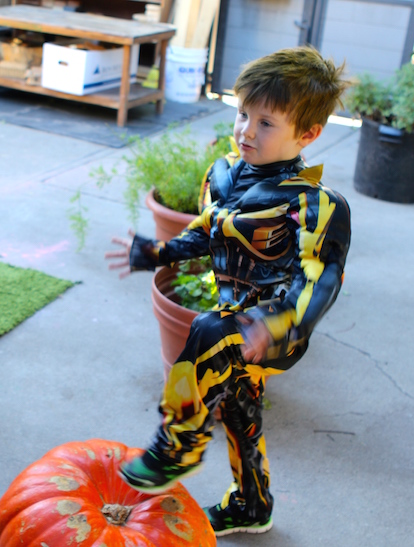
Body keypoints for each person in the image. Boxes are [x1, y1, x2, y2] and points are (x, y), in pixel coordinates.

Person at [106, 46, 351, 536]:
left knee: (207, 329)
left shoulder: (315, 203)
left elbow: (321, 278)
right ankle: (251, 504)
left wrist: (277, 323)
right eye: (243, 114)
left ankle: (178, 445)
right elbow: (206, 232)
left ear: (308, 134)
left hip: (275, 331)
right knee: (241, 413)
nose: (246, 131)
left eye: (266, 123)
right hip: (233, 318)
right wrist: (157, 252)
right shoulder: (223, 176)